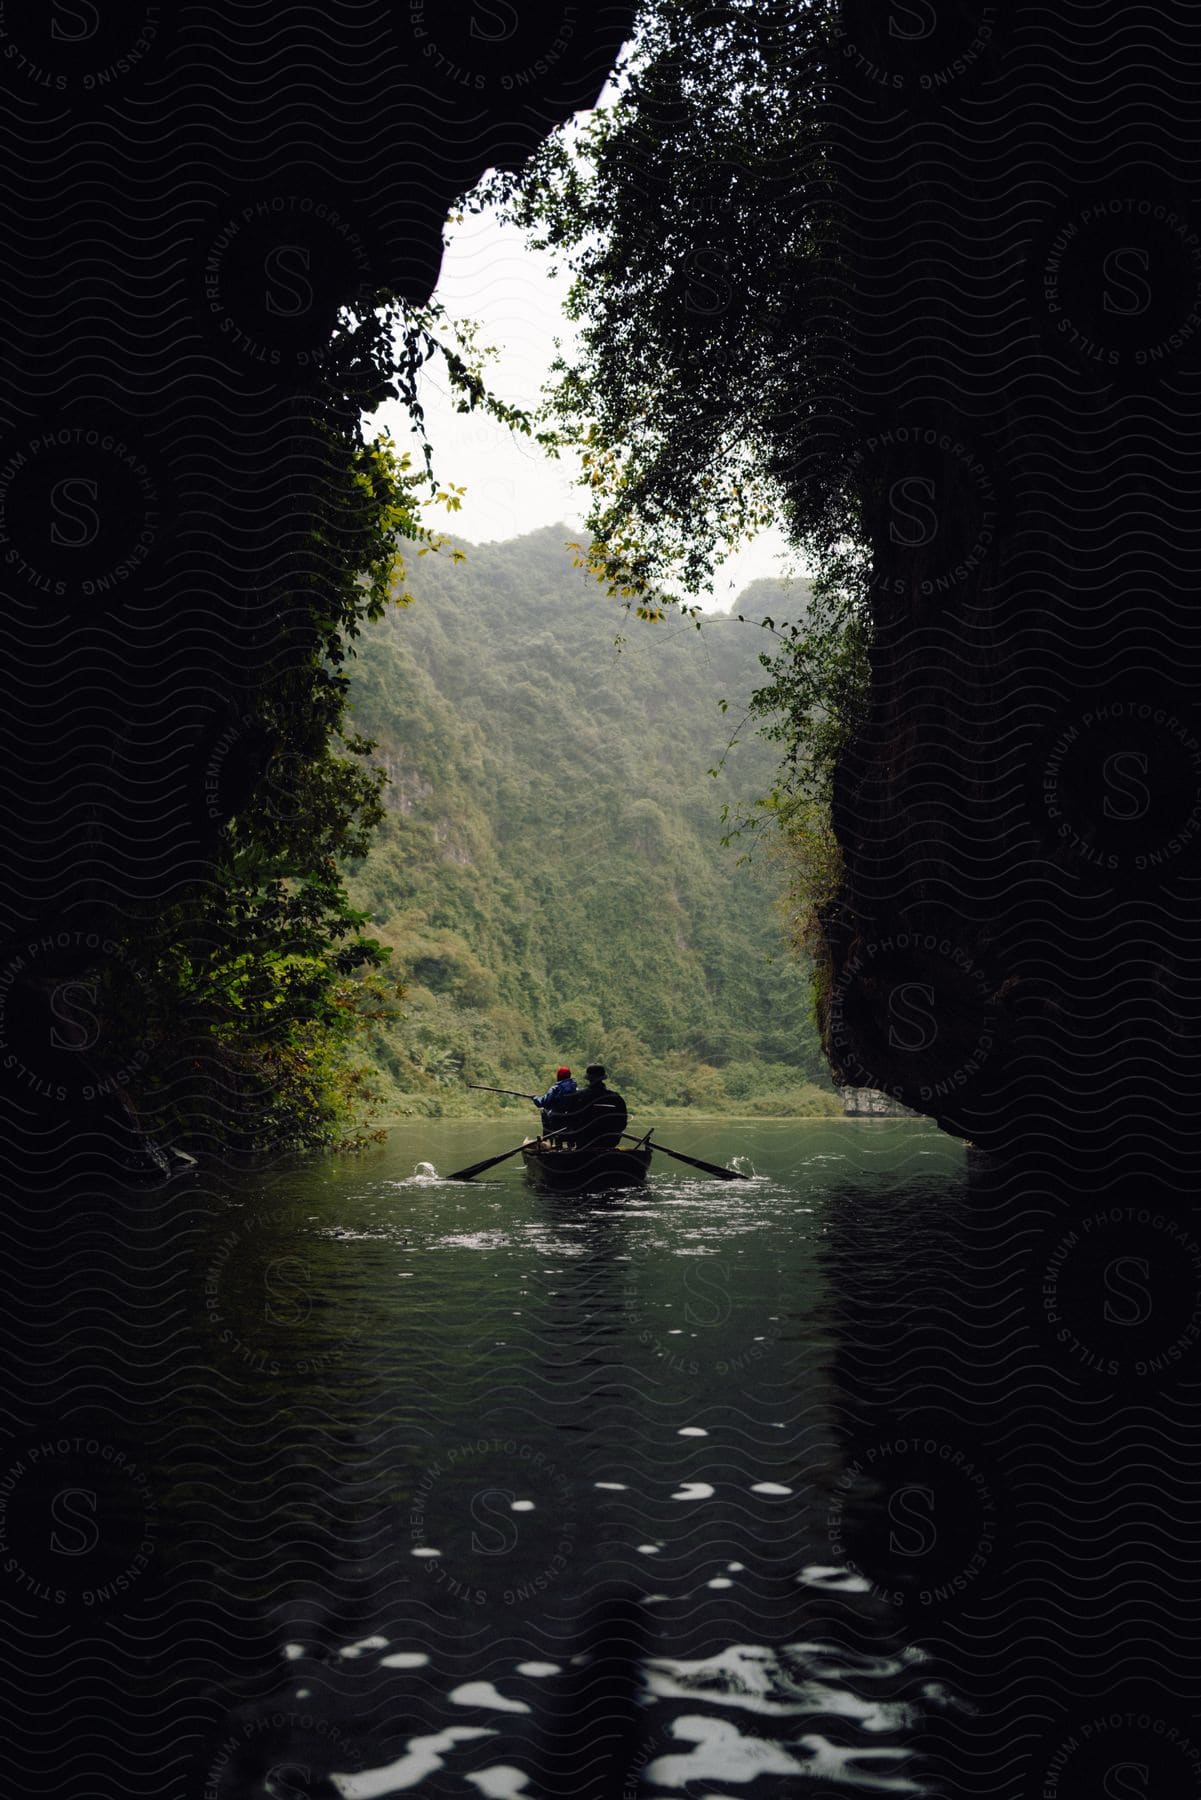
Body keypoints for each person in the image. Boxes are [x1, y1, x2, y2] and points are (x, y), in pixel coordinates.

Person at [570, 1063, 628, 1149]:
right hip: (609, 1142)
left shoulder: (579, 1096)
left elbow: (572, 1120)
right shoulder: (615, 1098)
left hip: (584, 1142)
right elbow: (622, 1122)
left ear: (588, 1078)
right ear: (603, 1078)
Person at [533, 1065, 577, 1135]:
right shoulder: (576, 1089)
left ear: (559, 1076)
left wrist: (535, 1098)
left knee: (543, 1111)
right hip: (572, 1124)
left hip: (556, 1123)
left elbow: (542, 1103)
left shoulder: (555, 1089)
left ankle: (547, 1138)